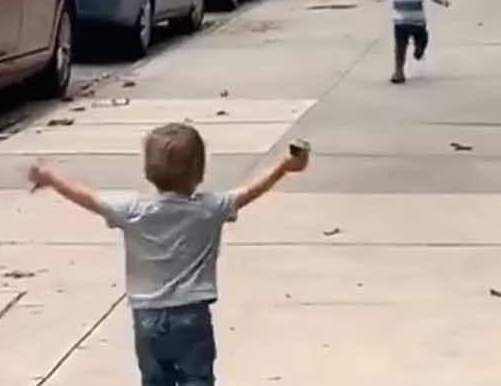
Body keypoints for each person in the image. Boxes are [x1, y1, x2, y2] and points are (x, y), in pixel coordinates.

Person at [27, 124, 310, 386]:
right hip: (192, 314)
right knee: (197, 378)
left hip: (146, 318)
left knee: (155, 380)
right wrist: (284, 166)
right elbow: (252, 190)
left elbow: (87, 198)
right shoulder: (212, 208)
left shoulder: (132, 211)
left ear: (148, 171)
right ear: (200, 171)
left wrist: (51, 178)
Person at [363, 0, 450, 84]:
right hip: (400, 22)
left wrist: (442, 1)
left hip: (417, 22)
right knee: (399, 48)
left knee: (422, 39)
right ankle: (399, 71)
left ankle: (419, 48)